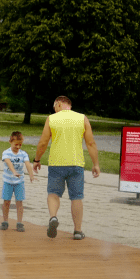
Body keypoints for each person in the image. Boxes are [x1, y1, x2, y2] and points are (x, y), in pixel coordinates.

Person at [32, 95, 100, 240]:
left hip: (56, 164)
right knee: (76, 197)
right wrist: (96, 164)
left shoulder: (52, 119)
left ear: (59, 104)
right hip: (76, 165)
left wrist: (37, 160)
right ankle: (77, 231)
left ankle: (53, 217)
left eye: (54, 106)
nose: (54, 109)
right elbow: (91, 143)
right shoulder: (82, 118)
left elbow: (43, 142)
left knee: (53, 194)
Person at [0, 131, 35, 232]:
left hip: (19, 182)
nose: (18, 147)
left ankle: (19, 222)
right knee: (6, 201)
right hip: (8, 181)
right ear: (10, 141)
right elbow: (8, 162)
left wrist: (31, 175)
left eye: (20, 144)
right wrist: (14, 171)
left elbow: (28, 164)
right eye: (16, 144)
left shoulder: (23, 154)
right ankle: (5, 221)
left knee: (19, 202)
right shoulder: (6, 153)